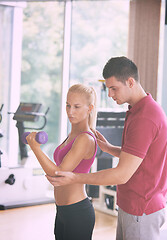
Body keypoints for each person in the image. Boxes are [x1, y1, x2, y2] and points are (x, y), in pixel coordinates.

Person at [46, 56, 167, 240]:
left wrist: (75, 178)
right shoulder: (136, 110)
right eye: (108, 88)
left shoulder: (145, 117)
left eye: (114, 88)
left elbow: (121, 174)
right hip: (131, 205)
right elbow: (139, 157)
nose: (110, 95)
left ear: (130, 82)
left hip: (141, 209)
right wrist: (111, 149)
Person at [26, 83, 98, 240]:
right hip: (62, 210)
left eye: (77, 107)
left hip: (77, 212)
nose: (70, 111)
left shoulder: (85, 139)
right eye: (68, 105)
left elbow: (58, 174)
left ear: (90, 108)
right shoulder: (72, 136)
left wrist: (36, 148)